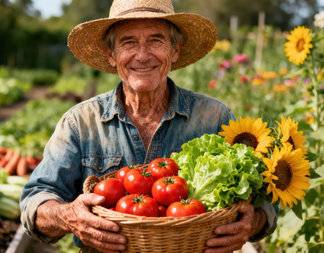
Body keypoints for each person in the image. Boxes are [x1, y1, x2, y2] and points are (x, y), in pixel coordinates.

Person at [20, 0, 278, 252]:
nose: (142, 56)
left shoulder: (215, 118)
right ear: (112, 55)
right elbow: (35, 201)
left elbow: (264, 202)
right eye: (128, 42)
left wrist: (252, 222)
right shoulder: (80, 123)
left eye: (156, 40)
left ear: (174, 50)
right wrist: (68, 216)